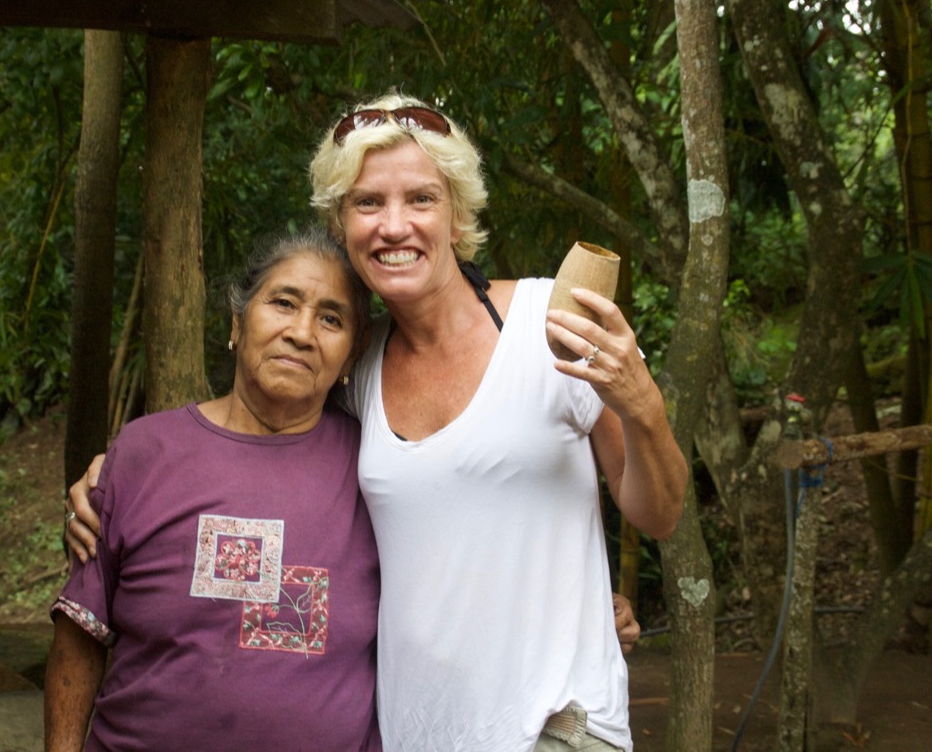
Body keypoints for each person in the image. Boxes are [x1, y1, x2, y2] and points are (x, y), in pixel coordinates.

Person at [69, 93, 685, 752]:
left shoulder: (549, 325)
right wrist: (124, 479)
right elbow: (268, 449)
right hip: (415, 733)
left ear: (457, 214)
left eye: (420, 199)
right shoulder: (356, 370)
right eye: (368, 203)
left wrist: (641, 404)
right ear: (341, 223)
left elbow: (659, 513)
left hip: (555, 728)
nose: (394, 226)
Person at [44, 229, 381, 752]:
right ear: (237, 321)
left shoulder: (377, 473)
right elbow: (80, 633)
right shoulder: (144, 453)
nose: (302, 332)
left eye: (331, 319)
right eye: (283, 303)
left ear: (351, 354)